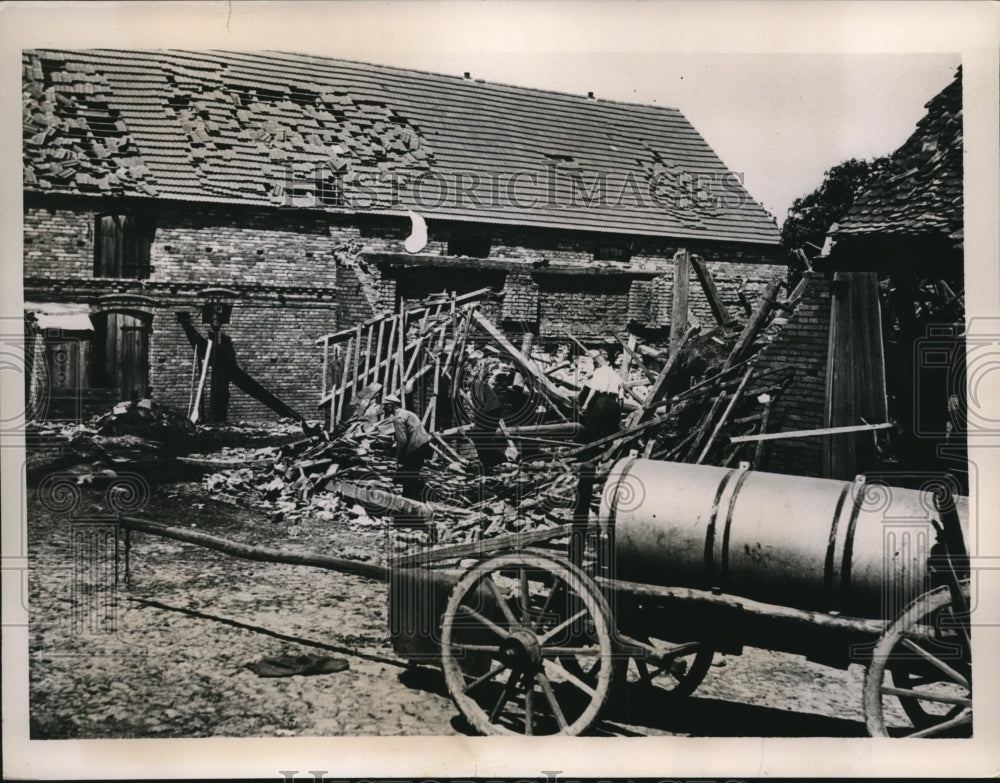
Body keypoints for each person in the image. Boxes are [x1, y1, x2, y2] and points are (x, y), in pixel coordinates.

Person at [381, 394, 433, 500]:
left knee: (409, 475)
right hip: (423, 444)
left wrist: (399, 458)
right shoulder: (406, 413)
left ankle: (408, 501)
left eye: (385, 405)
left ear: (391, 405)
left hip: (417, 446)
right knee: (411, 472)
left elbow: (402, 441)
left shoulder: (398, 417)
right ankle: (413, 496)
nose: (384, 408)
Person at [579, 349, 623, 442]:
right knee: (610, 429)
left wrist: (586, 404)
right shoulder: (616, 374)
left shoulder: (599, 371)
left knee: (592, 425)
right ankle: (609, 449)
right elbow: (621, 398)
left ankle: (592, 448)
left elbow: (594, 389)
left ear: (597, 364)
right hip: (614, 402)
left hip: (603, 400)